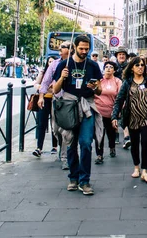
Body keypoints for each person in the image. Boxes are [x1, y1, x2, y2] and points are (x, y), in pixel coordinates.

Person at [53, 35, 103, 196]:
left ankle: (85, 180)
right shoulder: (64, 64)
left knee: (86, 142)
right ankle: (73, 178)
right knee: (70, 142)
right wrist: (62, 77)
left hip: (87, 106)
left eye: (86, 49)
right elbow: (55, 89)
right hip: (69, 106)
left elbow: (99, 90)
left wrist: (95, 87)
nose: (84, 52)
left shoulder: (93, 65)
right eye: (81, 48)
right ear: (75, 47)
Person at [111, 56, 147, 184]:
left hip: (146, 118)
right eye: (137, 65)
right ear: (132, 68)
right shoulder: (128, 83)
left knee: (145, 143)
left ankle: (145, 171)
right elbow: (119, 100)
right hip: (132, 119)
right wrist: (114, 116)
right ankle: (136, 167)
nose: (140, 67)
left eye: (142, 65)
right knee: (134, 144)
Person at [38, 41, 72, 170]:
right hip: (57, 101)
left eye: (62, 47)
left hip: (69, 101)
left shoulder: (74, 63)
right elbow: (46, 81)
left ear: (70, 49)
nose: (59, 48)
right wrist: (41, 97)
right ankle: (61, 147)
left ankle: (65, 157)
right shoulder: (55, 64)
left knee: (66, 131)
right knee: (56, 129)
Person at [94, 61, 123, 163]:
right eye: (106, 67)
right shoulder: (99, 80)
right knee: (99, 134)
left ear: (114, 70)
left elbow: (120, 97)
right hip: (98, 111)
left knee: (111, 133)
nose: (108, 69)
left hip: (111, 112)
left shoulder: (117, 81)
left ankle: (112, 147)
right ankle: (99, 155)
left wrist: (118, 111)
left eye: (111, 67)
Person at [33, 56, 58, 157]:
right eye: (49, 62)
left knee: (54, 124)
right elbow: (36, 84)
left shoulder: (57, 73)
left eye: (53, 62)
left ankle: (55, 146)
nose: (51, 63)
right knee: (41, 124)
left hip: (54, 99)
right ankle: (39, 148)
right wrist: (41, 87)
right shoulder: (43, 73)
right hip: (43, 99)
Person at [114, 47, 132, 150]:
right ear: (116, 56)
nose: (121, 56)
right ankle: (116, 134)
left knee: (125, 114)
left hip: (125, 93)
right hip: (113, 93)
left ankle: (126, 137)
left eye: (123, 54)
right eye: (119, 54)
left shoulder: (129, 67)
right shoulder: (113, 66)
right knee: (115, 114)